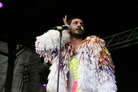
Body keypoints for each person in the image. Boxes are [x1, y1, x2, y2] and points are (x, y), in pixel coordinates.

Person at [35, 15, 117, 92]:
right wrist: (64, 34)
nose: (79, 25)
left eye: (81, 24)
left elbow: (105, 72)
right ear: (69, 27)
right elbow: (40, 45)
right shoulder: (62, 50)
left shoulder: (93, 45)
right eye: (75, 23)